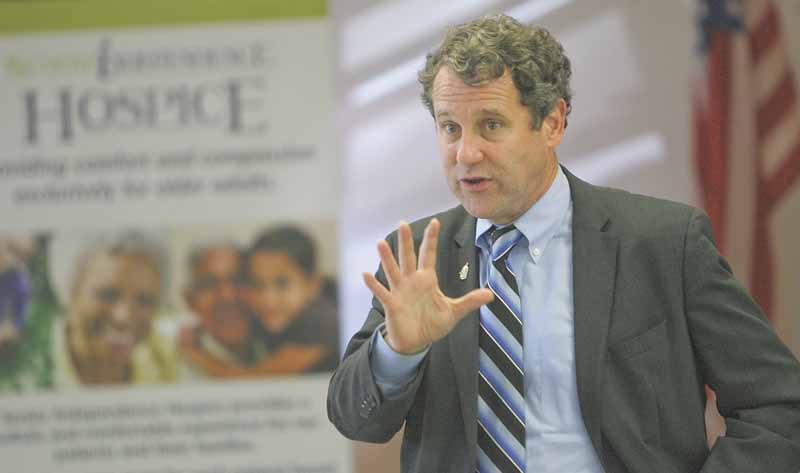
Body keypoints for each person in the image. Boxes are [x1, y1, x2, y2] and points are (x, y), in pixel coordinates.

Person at [327, 14, 800, 473]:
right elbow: (355, 419)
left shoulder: (663, 243)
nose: (466, 153)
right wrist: (397, 352)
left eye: (491, 124)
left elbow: (778, 404)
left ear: (552, 123)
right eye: (450, 127)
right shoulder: (418, 257)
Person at [179, 226, 340, 377]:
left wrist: (198, 356)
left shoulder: (323, 323)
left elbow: (254, 378)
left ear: (313, 285)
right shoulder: (267, 321)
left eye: (282, 284)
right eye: (257, 284)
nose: (267, 300)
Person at [53, 230, 175, 386]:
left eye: (145, 301)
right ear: (72, 292)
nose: (123, 317)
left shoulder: (167, 360)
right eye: (107, 295)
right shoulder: (31, 366)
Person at [177, 242, 258, 379]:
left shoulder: (277, 347)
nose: (228, 296)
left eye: (238, 279)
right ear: (190, 300)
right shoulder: (176, 370)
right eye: (210, 284)